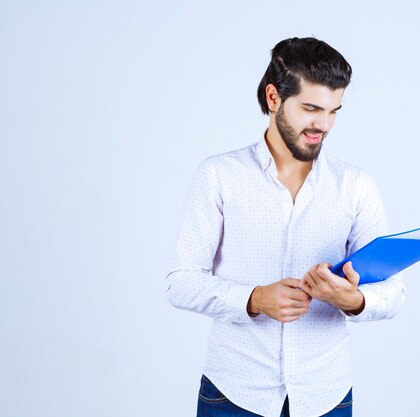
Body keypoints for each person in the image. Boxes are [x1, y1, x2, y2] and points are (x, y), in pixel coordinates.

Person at [166, 37, 406, 417]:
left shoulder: (355, 185)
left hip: (326, 395)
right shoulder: (218, 176)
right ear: (274, 98)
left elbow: (393, 292)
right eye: (311, 108)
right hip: (233, 394)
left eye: (333, 111)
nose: (323, 125)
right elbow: (181, 282)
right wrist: (255, 299)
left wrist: (354, 300)